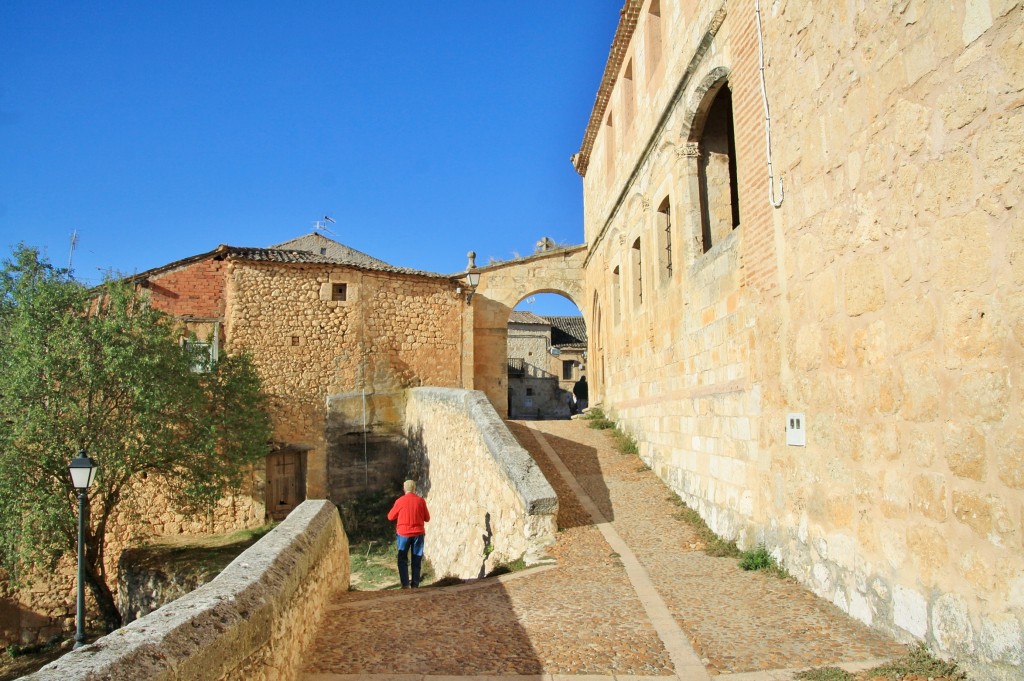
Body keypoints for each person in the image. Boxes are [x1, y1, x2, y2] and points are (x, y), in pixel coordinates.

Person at [387, 479, 431, 588]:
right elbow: (427, 518)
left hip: (403, 534)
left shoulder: (400, 501)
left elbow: (390, 516)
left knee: (402, 559)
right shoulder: (421, 501)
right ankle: (415, 584)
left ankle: (405, 584)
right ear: (414, 489)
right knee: (417, 558)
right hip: (418, 534)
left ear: (404, 489)